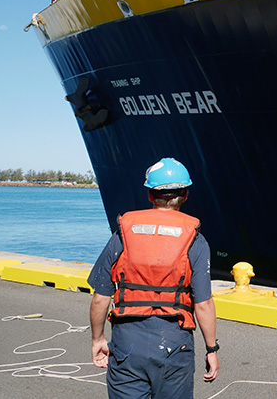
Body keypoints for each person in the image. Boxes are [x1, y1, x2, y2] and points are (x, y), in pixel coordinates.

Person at [88, 158, 220, 398]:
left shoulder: (123, 234)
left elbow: (100, 298)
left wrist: (98, 339)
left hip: (127, 343)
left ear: (150, 195)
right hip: (173, 343)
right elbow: (203, 303)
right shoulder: (196, 240)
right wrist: (211, 348)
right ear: (186, 195)